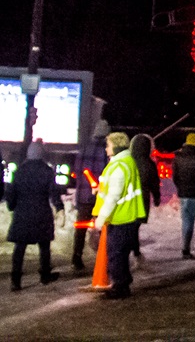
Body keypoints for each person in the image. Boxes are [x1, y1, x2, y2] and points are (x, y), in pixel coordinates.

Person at [92, 131, 145, 299]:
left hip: (121, 217)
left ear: (116, 147)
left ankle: (120, 287)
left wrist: (100, 219)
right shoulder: (126, 162)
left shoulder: (119, 166)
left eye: (108, 145)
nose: (106, 149)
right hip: (128, 216)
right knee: (120, 253)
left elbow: (113, 197)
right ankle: (123, 282)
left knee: (116, 253)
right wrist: (100, 189)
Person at [7, 141, 64, 290]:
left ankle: (15, 280)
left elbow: (11, 192)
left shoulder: (20, 171)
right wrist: (59, 207)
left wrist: (11, 206)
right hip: (41, 213)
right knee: (44, 245)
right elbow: (54, 192)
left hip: (22, 214)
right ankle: (45, 275)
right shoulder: (47, 171)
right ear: (41, 154)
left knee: (19, 247)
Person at [71, 119, 111, 273]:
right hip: (100, 197)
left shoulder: (84, 149)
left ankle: (76, 256)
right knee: (103, 227)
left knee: (81, 227)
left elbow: (77, 170)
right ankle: (103, 258)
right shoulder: (106, 151)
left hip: (83, 195)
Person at [171, 133, 195, 259]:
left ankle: (185, 246)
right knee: (190, 221)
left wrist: (180, 187)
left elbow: (175, 177)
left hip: (183, 193)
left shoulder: (178, 157)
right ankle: (185, 249)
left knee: (185, 219)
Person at [128, 134, 160, 264]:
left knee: (130, 226)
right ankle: (135, 251)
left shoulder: (128, 162)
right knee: (135, 226)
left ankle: (133, 250)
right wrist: (157, 197)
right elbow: (154, 183)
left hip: (129, 198)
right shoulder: (149, 164)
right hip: (142, 199)